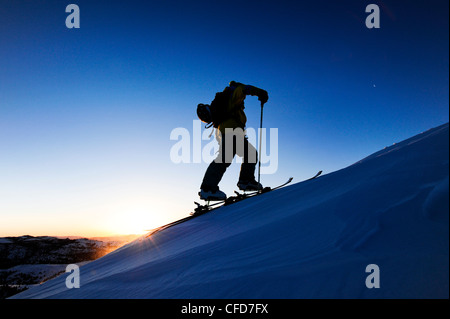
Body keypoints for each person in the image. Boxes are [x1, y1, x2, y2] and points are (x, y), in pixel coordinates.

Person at [199, 81, 269, 201]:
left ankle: (210, 188)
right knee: (248, 154)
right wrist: (261, 93)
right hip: (232, 130)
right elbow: (244, 89)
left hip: (224, 131)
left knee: (239, 155)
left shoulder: (225, 97)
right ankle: (242, 182)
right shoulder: (233, 92)